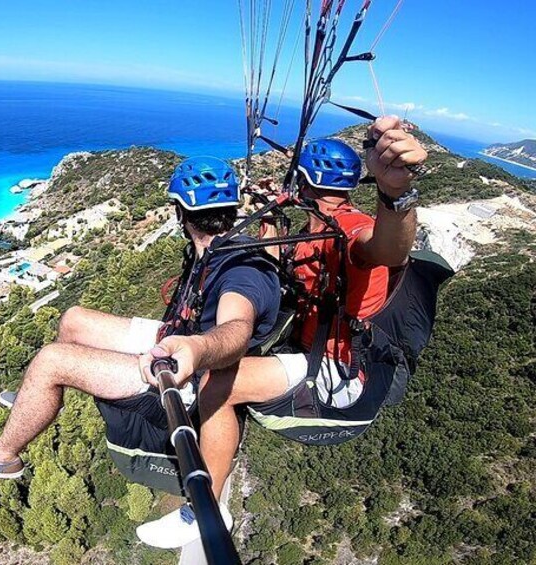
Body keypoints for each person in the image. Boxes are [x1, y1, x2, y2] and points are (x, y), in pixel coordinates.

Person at [136, 116, 428, 548]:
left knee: (220, 384)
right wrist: (268, 220)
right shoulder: (314, 226)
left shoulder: (349, 227)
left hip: (337, 370)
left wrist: (396, 195)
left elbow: (388, 248)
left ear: (304, 181)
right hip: (308, 352)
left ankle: (204, 509)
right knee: (221, 366)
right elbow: (277, 268)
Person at [0, 157, 282, 517]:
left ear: (180, 213)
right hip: (181, 336)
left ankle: (2, 457)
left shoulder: (239, 270)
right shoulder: (221, 246)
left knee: (51, 361)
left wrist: (197, 349)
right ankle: (37, 400)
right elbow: (270, 260)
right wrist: (269, 218)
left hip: (188, 373)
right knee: (74, 320)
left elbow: (237, 328)